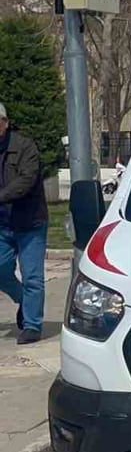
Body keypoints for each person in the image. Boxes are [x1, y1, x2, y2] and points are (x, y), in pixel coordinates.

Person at [0, 105, 47, 344]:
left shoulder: (24, 146)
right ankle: (23, 299)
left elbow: (26, 180)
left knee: (33, 277)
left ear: (5, 122)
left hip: (30, 222)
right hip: (2, 224)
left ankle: (32, 325)